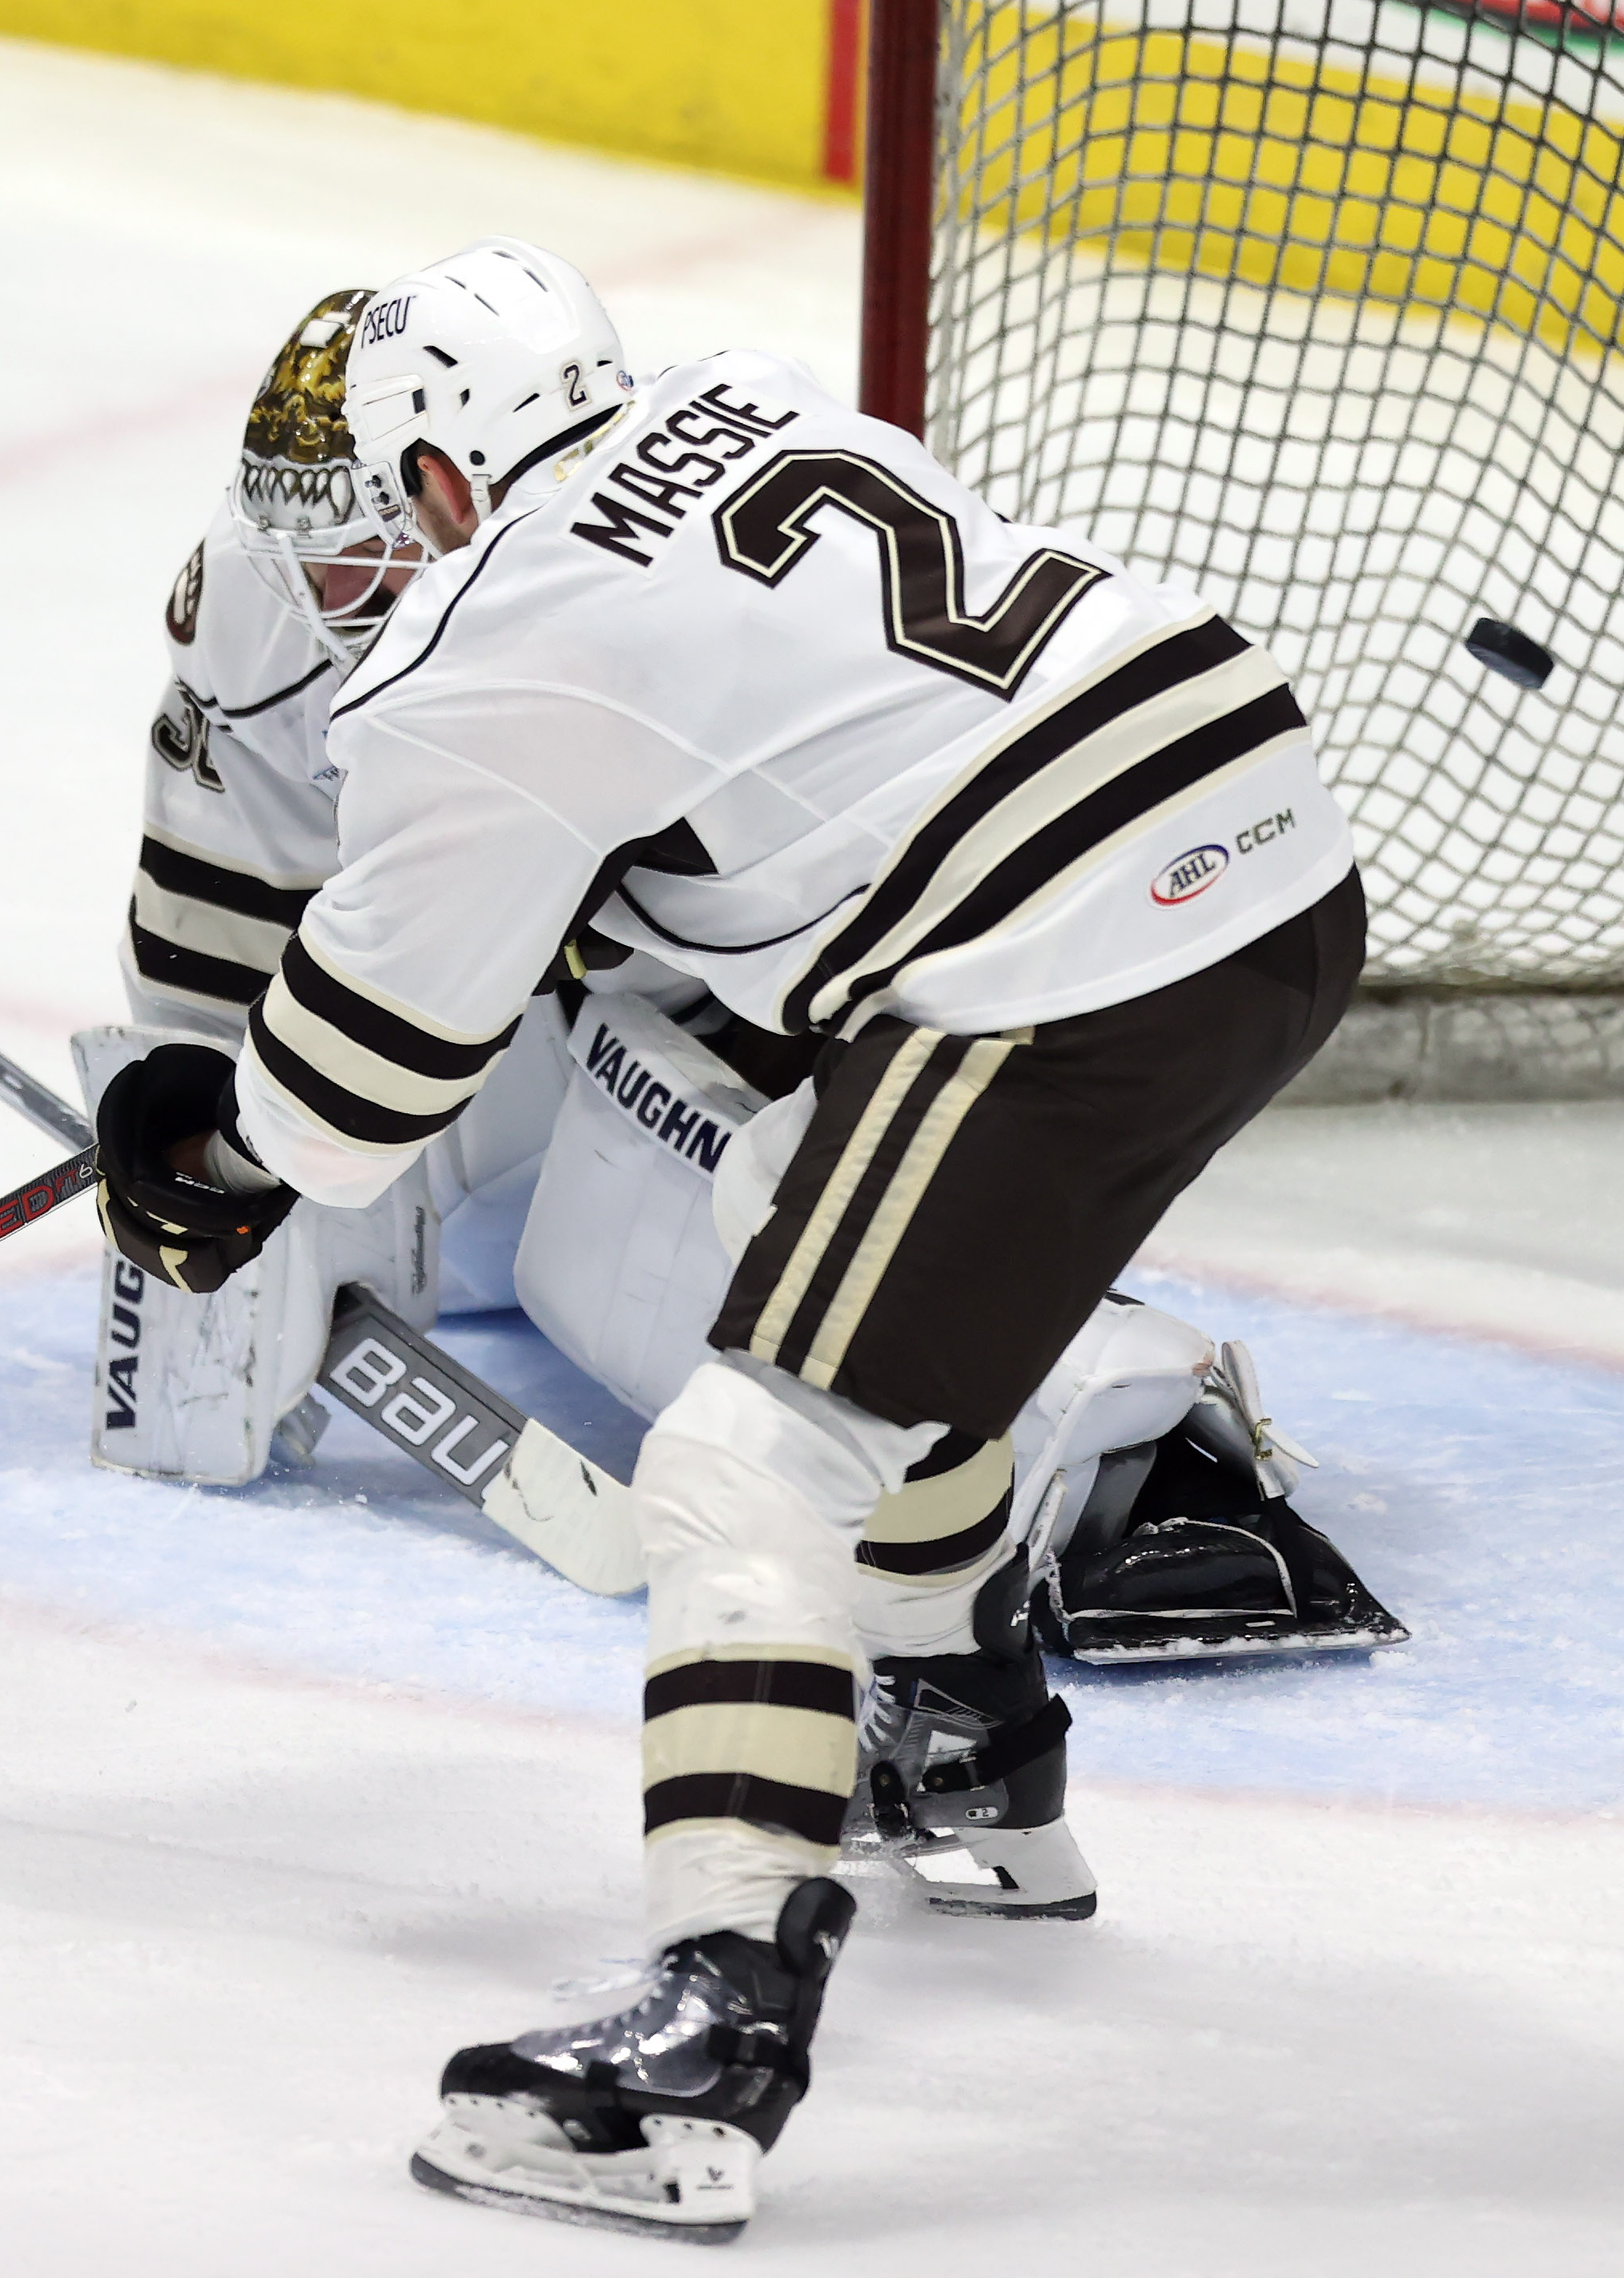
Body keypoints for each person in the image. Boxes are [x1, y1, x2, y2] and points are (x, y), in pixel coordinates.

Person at [90, 244, 1370, 2240]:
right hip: (1258, 857)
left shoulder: (481, 645)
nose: (340, 587)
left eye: (355, 529)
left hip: (1060, 955)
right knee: (822, 1263)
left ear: (445, 478)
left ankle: (713, 2022)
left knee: (738, 1453)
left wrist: (211, 1137)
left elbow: (358, 1091)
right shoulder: (740, 403)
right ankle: (961, 1742)